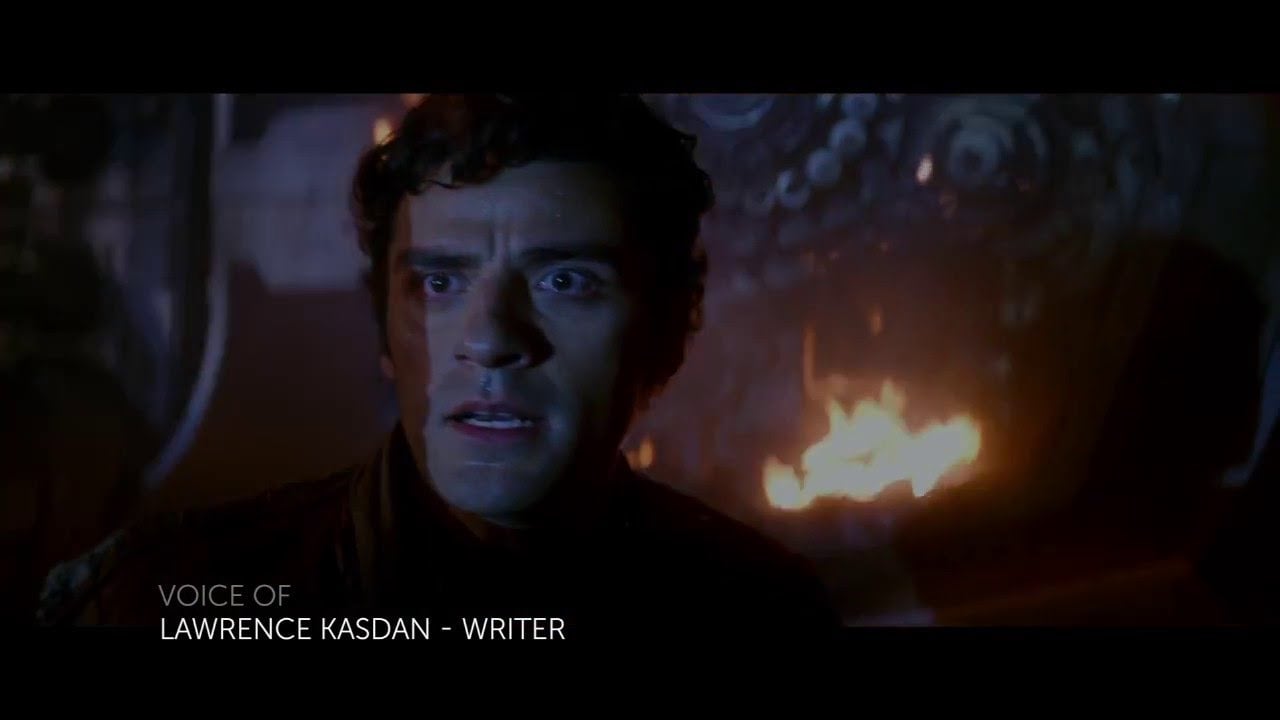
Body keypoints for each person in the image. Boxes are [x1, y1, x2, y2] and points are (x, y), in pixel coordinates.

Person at [35, 94, 841, 638]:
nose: (487, 339)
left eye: (566, 281)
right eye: (439, 283)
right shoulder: (165, 602)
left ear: (665, 333)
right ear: (387, 333)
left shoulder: (760, 609)